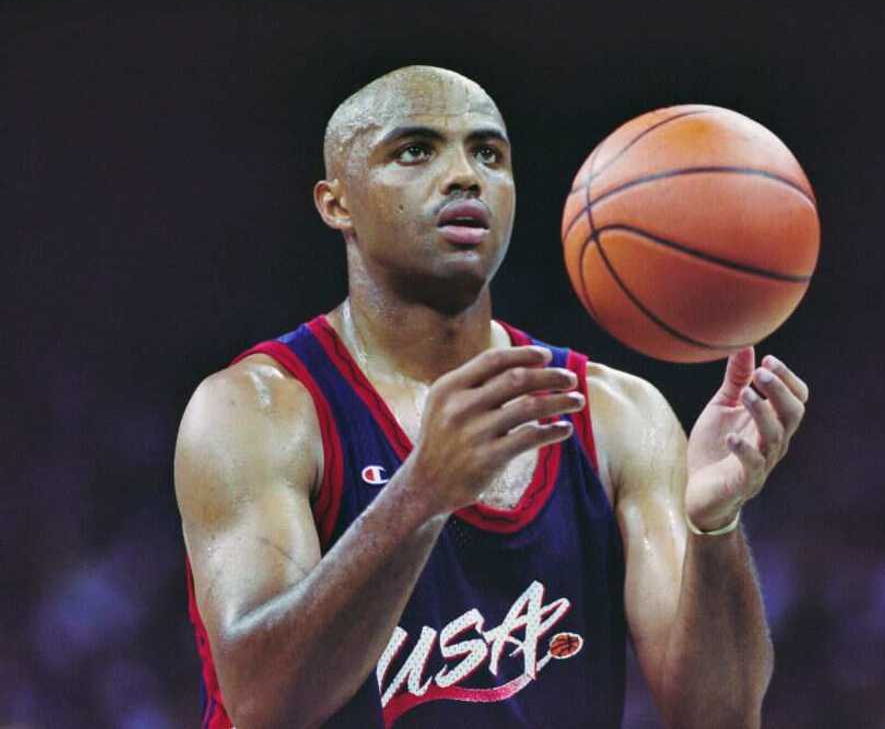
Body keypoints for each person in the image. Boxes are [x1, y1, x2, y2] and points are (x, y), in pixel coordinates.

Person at [174, 65, 809, 729]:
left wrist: (715, 525)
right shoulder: (256, 410)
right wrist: (419, 495)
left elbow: (720, 715)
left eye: (489, 154)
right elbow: (263, 702)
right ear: (338, 204)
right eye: (415, 150)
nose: (464, 175)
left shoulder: (620, 415)